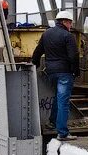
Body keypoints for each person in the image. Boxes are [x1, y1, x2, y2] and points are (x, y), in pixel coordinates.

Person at [31, 11, 80, 141]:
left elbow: (38, 51)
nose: (71, 25)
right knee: (63, 101)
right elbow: (73, 56)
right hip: (65, 72)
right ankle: (62, 132)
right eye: (70, 23)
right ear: (65, 22)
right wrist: (75, 71)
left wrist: (34, 64)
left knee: (56, 97)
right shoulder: (67, 36)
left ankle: (53, 121)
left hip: (51, 72)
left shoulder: (46, 34)